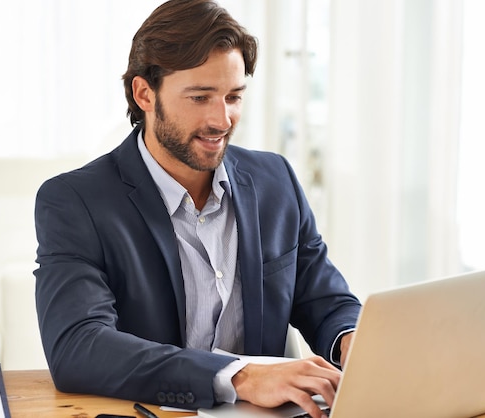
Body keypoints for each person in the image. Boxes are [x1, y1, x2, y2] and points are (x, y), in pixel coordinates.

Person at [33, 1, 361, 417]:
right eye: (200, 97)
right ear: (144, 93)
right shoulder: (75, 202)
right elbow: (78, 345)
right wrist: (238, 376)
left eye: (233, 97)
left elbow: (327, 301)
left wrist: (355, 343)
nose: (221, 119)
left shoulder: (275, 181)